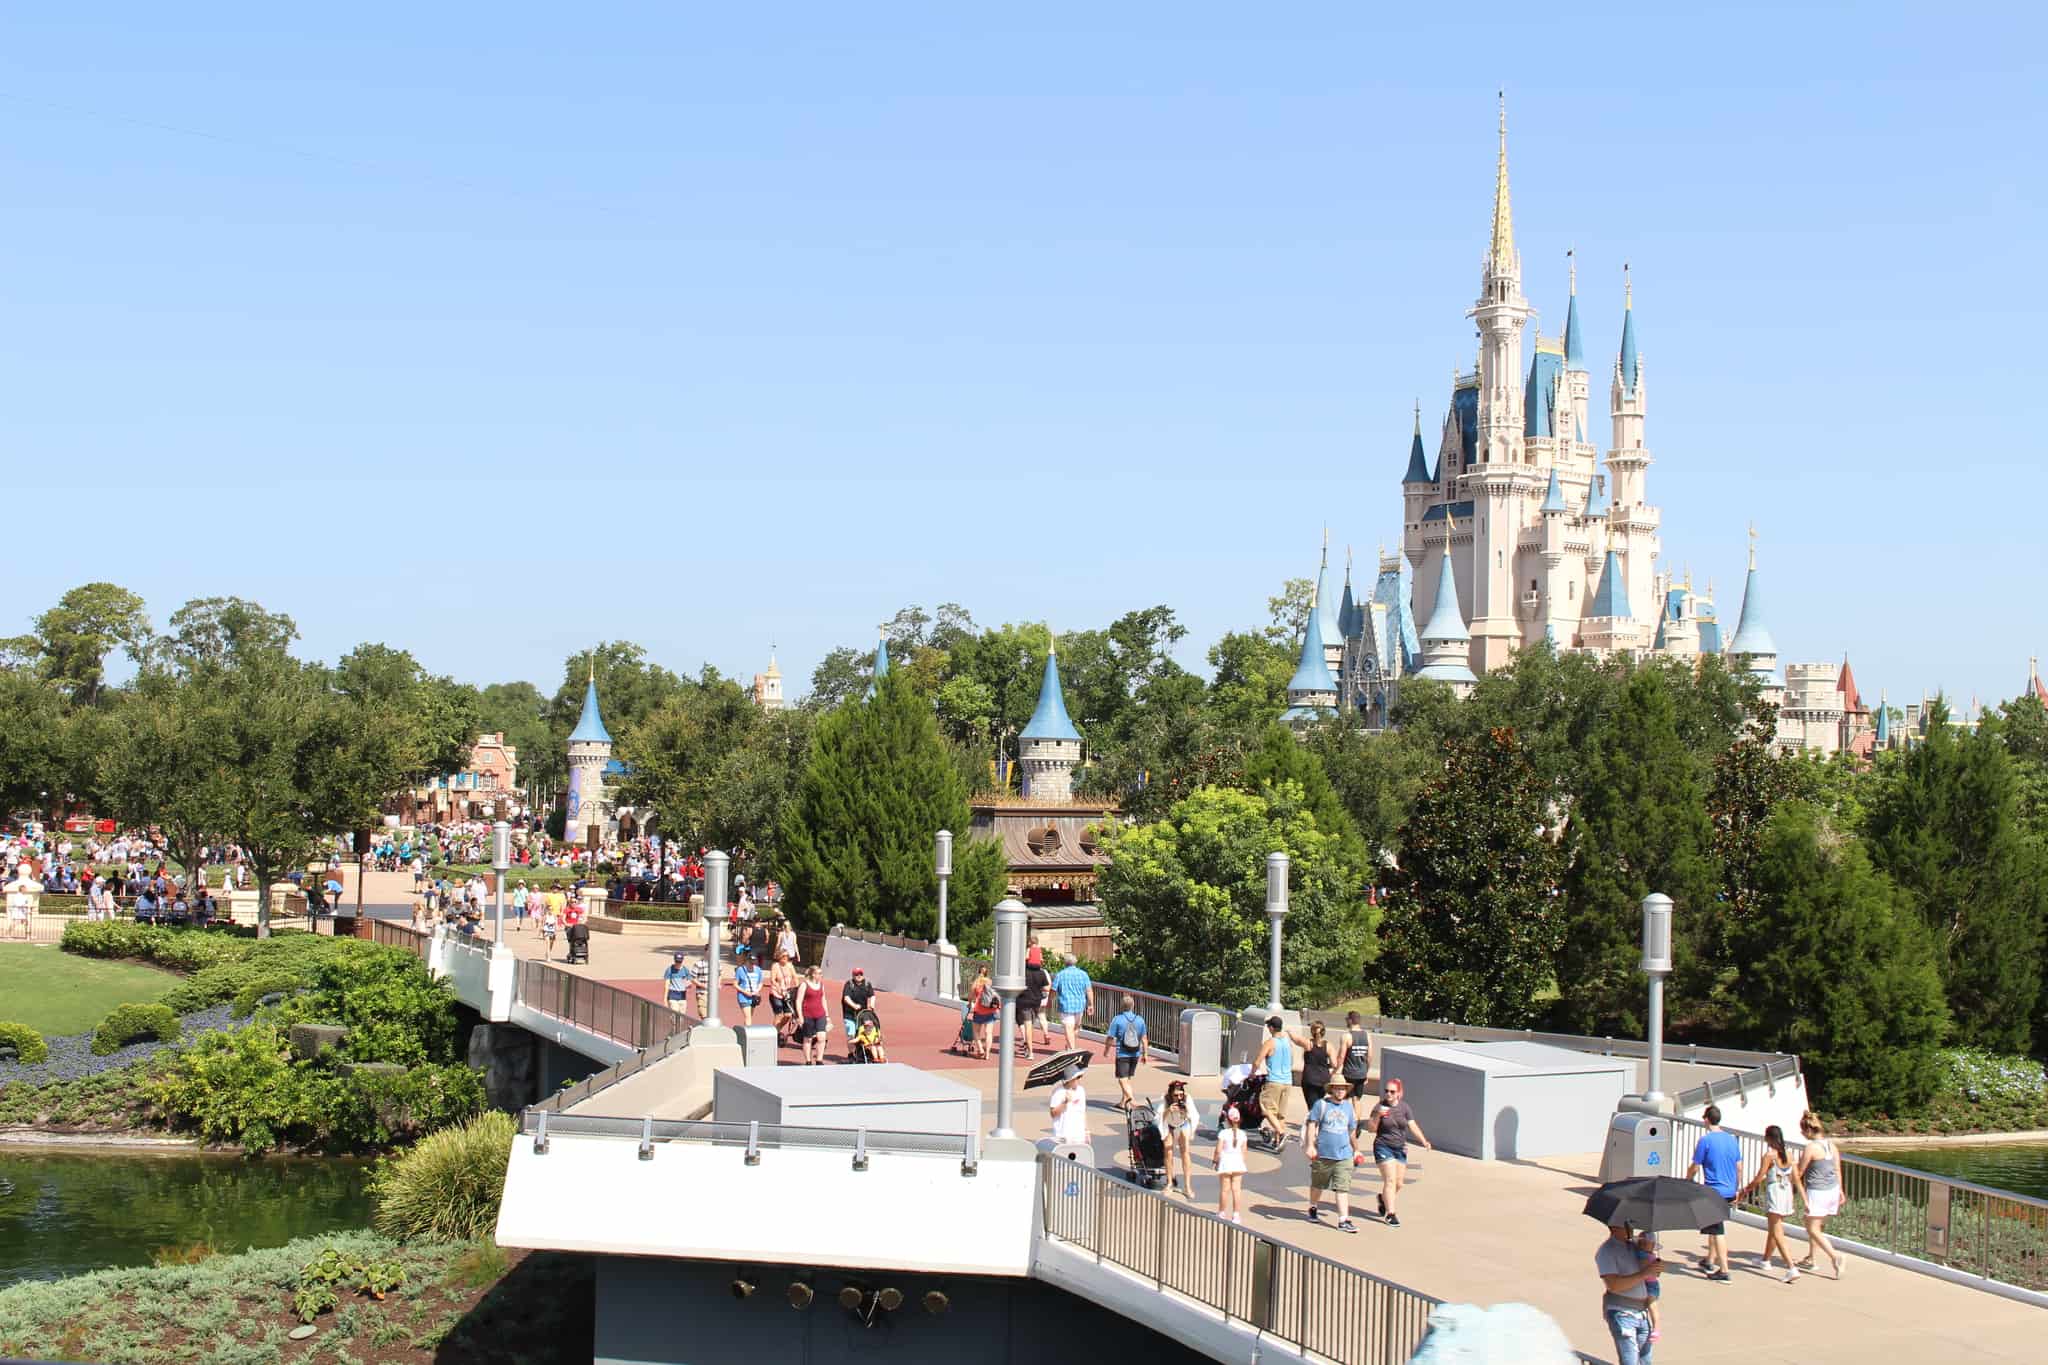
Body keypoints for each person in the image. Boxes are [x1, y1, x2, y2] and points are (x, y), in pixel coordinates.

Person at [1740, 1123, 1803, 1283]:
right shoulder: (1789, 1154)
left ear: (1769, 1138)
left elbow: (1760, 1176)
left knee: (1777, 1231)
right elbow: (1795, 1177)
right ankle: (1766, 1260)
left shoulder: (1769, 1156)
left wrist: (1745, 1190)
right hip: (1786, 1191)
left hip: (1775, 1191)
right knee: (1774, 1228)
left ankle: (1791, 1267)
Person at [1685, 1104, 1742, 1282]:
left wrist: (1687, 1180)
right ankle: (1709, 1259)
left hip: (1713, 1190)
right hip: (1729, 1190)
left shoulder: (1705, 1141)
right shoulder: (1732, 1140)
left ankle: (1724, 1270)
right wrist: (1737, 1188)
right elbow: (1739, 1167)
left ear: (1706, 1120)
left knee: (1717, 1230)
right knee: (1713, 1224)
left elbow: (1695, 1166)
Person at [1367, 1075, 1431, 1226]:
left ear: (1399, 1094)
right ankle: (1391, 1214)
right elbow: (1371, 1129)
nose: (1388, 1094)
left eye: (1392, 1092)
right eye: (1386, 1091)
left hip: (1399, 1148)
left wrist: (1424, 1141)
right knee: (1389, 1180)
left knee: (1399, 1183)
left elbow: (1412, 1125)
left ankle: (1383, 1199)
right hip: (1383, 1146)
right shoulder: (1379, 1107)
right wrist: (1377, 1116)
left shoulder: (1404, 1108)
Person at [1597, 1220, 1663, 1365]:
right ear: (1614, 1226)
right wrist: (1645, 1273)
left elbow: (1650, 1274)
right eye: (1625, 1223)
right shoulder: (1607, 1251)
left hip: (1642, 1313)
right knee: (1630, 1361)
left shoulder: (1634, 1246)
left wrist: (1655, 1266)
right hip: (1622, 1313)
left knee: (1645, 1360)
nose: (1631, 1227)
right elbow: (1613, 1285)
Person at [1303, 1075, 1361, 1232]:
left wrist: (1356, 1150)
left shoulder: (1348, 1107)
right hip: (1324, 1154)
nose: (1341, 1091)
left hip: (1344, 1155)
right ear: (1331, 1089)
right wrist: (1310, 1146)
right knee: (1318, 1185)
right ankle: (1313, 1206)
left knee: (1342, 1188)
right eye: (1337, 1088)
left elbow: (1351, 1131)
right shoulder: (1321, 1105)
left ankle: (1343, 1220)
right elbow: (1311, 1124)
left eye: (1343, 1088)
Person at [1795, 1112, 1846, 1278]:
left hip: (1817, 1191)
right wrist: (1840, 1190)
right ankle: (1811, 1258)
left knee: (1812, 1227)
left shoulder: (1811, 1148)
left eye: (1803, 1131)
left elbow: (1800, 1170)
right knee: (1816, 1225)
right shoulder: (1831, 1145)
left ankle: (1835, 1256)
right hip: (1831, 1189)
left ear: (1809, 1130)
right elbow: (1837, 1168)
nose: (1802, 1134)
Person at [1252, 1015, 1307, 1148]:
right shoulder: (1287, 1042)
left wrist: (1252, 1073)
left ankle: (1281, 1132)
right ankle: (1277, 1141)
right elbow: (1292, 1059)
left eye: (1268, 1026)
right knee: (1280, 1114)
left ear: (1271, 1027)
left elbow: (1258, 1061)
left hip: (1274, 1081)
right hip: (1287, 1081)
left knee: (1266, 1108)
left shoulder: (1270, 1042)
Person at [1103, 995, 1148, 1108]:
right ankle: (1123, 1103)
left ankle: (1132, 1101)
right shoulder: (1140, 1019)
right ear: (1133, 1006)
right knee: (1127, 1078)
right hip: (1135, 1053)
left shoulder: (1117, 1019)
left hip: (1122, 1054)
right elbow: (1144, 1039)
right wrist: (1145, 1054)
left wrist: (1106, 1050)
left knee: (1122, 1080)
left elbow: (1110, 1038)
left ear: (1121, 1006)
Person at [1160, 1079, 1196, 1197]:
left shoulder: (1187, 1098)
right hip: (1169, 1125)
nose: (1179, 1097)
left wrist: (1184, 1111)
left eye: (1181, 1094)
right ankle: (1169, 1182)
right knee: (1168, 1151)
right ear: (1171, 1094)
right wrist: (1168, 1110)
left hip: (1183, 1125)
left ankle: (1187, 1186)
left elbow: (1193, 1116)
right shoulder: (1166, 1099)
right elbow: (1160, 1117)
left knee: (1185, 1152)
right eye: (1176, 1095)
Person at [1050, 954, 1093, 1051]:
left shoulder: (1060, 975)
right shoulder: (1083, 974)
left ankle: (1072, 1050)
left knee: (1069, 1028)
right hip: (1080, 1005)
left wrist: (1049, 1001)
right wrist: (1091, 1005)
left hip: (1066, 1005)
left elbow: (1053, 990)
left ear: (1065, 963)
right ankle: (1071, 1047)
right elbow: (1089, 990)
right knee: (1075, 1028)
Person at [1214, 1104, 1248, 1225]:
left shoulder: (1223, 1133)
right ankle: (1236, 1215)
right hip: (1238, 1162)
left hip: (1226, 1162)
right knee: (1237, 1190)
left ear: (1227, 1119)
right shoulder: (1243, 1134)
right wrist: (1242, 1161)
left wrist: (1215, 1161)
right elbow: (1244, 1151)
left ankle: (1222, 1212)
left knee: (1224, 1190)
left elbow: (1218, 1150)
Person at [1633, 1229, 1665, 1343]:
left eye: (1646, 1243)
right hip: (1641, 1282)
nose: (1643, 1244)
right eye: (1641, 1242)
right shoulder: (1638, 1252)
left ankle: (1656, 1327)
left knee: (1652, 1304)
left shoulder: (1650, 1257)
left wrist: (1657, 1264)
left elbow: (1655, 1272)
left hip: (1651, 1285)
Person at [796, 965, 831, 1065]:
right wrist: (800, 1016)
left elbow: (823, 999)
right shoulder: (804, 985)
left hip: (820, 1014)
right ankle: (808, 1060)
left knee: (822, 1037)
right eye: (819, 973)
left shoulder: (821, 984)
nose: (821, 975)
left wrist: (827, 1015)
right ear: (813, 974)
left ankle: (819, 1059)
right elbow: (798, 1001)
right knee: (808, 1039)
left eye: (821, 973)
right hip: (808, 1015)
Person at [840, 966, 878, 1057]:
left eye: (860, 974)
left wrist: (872, 1004)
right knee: (851, 1034)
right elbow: (846, 998)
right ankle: (851, 1054)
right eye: (856, 974)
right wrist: (854, 1005)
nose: (859, 976)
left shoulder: (867, 984)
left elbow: (872, 995)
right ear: (853, 975)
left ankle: (862, 1053)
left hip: (862, 1015)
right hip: (850, 1014)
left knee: (864, 1033)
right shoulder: (849, 984)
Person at [1299, 1019, 1335, 1111]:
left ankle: (1313, 1123)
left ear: (1312, 1031)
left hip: (1309, 1079)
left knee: (1312, 1107)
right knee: (1318, 1103)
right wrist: (1327, 1066)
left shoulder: (1308, 1043)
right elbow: (1334, 1064)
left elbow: (1296, 1040)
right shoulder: (1328, 1046)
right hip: (1323, 1079)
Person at [1019, 952, 1050, 1058]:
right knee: (1031, 1025)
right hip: (1037, 1001)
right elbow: (1046, 988)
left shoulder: (1023, 973)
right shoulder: (1041, 973)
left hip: (1024, 1000)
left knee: (1027, 1026)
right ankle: (1029, 1047)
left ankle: (1030, 1052)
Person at [1048, 1064, 1088, 1145]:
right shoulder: (1058, 1092)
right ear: (1070, 1079)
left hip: (1079, 1135)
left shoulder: (1081, 1090)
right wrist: (1065, 1102)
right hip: (1063, 1135)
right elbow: (1053, 1114)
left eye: (1080, 1077)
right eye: (1078, 1077)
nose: (1079, 1080)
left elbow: (1083, 1112)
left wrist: (1086, 1131)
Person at [966, 966, 999, 1060]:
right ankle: (987, 1054)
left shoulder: (976, 982)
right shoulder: (990, 982)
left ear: (978, 972)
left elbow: (970, 996)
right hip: (990, 1010)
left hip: (979, 1010)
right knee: (989, 1033)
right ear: (987, 973)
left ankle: (980, 1049)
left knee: (976, 1032)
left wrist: (969, 1003)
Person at [767, 950, 800, 1044]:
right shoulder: (775, 966)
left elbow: (795, 977)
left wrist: (797, 987)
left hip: (787, 993)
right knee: (779, 1015)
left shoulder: (790, 966)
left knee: (788, 1015)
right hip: (776, 993)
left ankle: (777, 1028)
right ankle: (773, 1034)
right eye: (783, 957)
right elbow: (772, 980)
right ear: (779, 957)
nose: (785, 959)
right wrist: (779, 988)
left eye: (787, 957)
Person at [1339, 1010, 1371, 1094]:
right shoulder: (1367, 1035)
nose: (1346, 1021)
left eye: (1346, 1019)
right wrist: (1366, 1072)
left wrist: (1335, 1071)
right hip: (1361, 1074)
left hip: (1349, 1074)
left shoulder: (1346, 1036)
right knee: (1356, 1100)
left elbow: (1341, 1057)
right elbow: (1369, 1057)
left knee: (1344, 1099)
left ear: (1350, 1020)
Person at [733, 955, 765, 1027]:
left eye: (753, 962)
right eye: (750, 962)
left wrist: (757, 990)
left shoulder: (758, 970)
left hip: (754, 997)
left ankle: (745, 1030)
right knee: (748, 1017)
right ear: (746, 961)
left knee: (750, 1016)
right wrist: (745, 992)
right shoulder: (740, 970)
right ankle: (748, 1034)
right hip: (743, 997)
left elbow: (760, 983)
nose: (752, 964)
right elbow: (735, 984)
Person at [663, 951, 696, 1017]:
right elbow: (667, 985)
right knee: (675, 1013)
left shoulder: (685, 970)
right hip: (673, 994)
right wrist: (665, 999)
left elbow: (689, 982)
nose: (678, 963)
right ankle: (674, 1027)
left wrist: (688, 984)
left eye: (680, 962)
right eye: (677, 961)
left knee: (682, 1016)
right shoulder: (669, 970)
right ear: (674, 960)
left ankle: (679, 1027)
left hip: (682, 995)